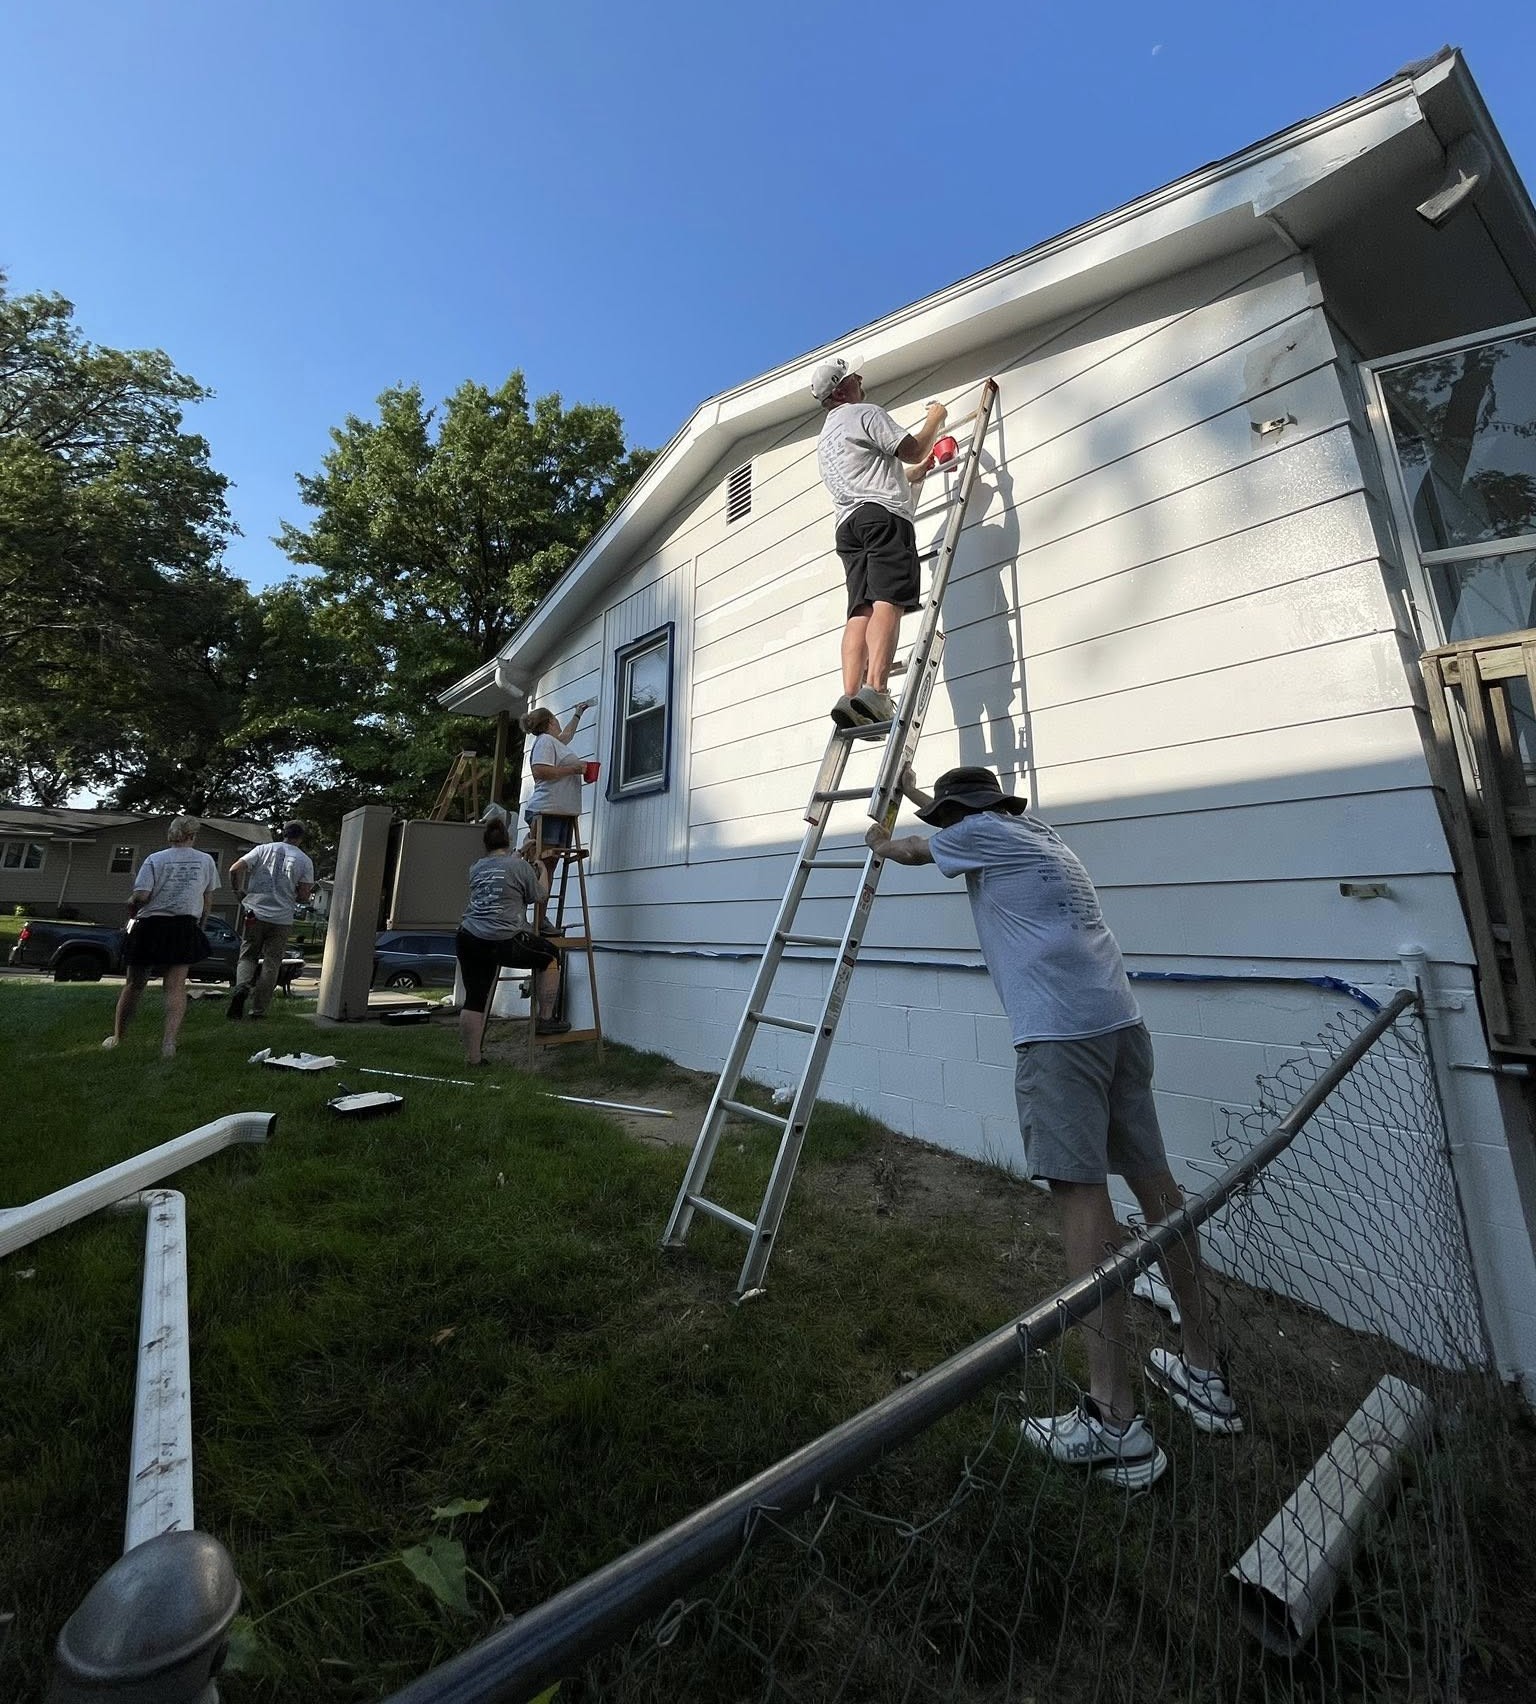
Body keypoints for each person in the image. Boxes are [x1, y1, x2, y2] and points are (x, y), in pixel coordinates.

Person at [865, 765, 1241, 1489]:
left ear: (960, 814)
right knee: (1156, 1186)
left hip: (1061, 1038)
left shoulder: (976, 833)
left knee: (1083, 1204)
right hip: (1119, 1023)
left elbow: (914, 849)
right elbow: (956, 820)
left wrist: (881, 841)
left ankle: (1114, 1422)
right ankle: (1204, 1370)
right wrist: (917, 795)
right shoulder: (1037, 834)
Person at [811, 356, 949, 730]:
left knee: (861, 610)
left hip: (849, 527)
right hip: (883, 519)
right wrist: (935, 418)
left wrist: (913, 476)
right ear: (841, 390)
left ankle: (851, 696)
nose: (860, 378)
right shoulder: (864, 413)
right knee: (888, 599)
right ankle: (876, 690)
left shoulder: (826, 440)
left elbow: (869, 476)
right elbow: (914, 449)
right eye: (852, 376)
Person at [102, 815, 219, 1059]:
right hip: (184, 925)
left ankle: (118, 1037)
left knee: (135, 983)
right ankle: (169, 1044)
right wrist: (201, 925)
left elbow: (142, 895)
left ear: (172, 834)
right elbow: (207, 899)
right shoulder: (206, 861)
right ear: (192, 835)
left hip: (150, 925)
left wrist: (131, 901)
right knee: (175, 986)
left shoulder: (155, 859)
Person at [456, 816, 567, 1061]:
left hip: (469, 936)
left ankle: (473, 1059)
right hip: (503, 938)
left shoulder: (477, 867)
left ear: (486, 844)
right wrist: (541, 869)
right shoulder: (520, 868)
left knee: (475, 999)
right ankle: (546, 1019)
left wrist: (521, 851)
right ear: (507, 841)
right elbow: (540, 895)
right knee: (550, 955)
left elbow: (504, 866)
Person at [227, 820, 315, 1020]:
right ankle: (258, 1010)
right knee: (272, 962)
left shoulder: (262, 850)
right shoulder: (304, 860)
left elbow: (235, 869)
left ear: (283, 833)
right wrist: (296, 895)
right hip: (282, 919)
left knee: (248, 956)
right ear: (301, 837)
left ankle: (241, 987)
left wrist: (238, 891)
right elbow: (303, 895)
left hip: (255, 913)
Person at [520, 698, 596, 892]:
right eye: (556, 719)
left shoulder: (553, 742)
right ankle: (537, 908)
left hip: (561, 812)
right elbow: (540, 771)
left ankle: (542, 909)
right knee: (543, 864)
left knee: (550, 864)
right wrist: (574, 769)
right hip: (547, 811)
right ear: (551, 721)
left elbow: (567, 734)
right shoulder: (545, 742)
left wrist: (578, 713)